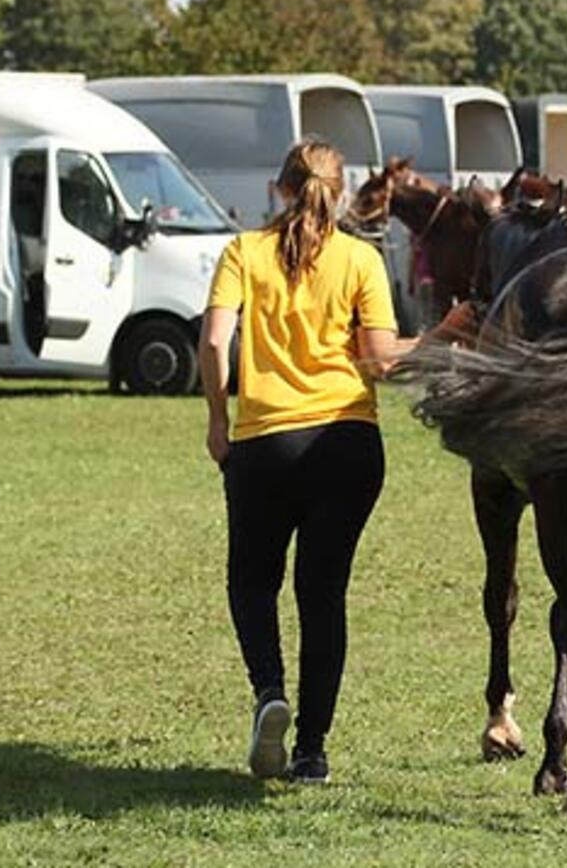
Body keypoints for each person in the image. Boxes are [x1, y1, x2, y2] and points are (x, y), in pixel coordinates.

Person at [198, 137, 413, 785]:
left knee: (252, 582)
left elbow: (213, 339)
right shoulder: (359, 258)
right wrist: (441, 334)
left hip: (265, 442)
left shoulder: (243, 251)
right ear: (340, 193)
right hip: (347, 441)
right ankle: (312, 752)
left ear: (281, 188)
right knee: (323, 595)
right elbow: (378, 359)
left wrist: (217, 417)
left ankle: (270, 693)